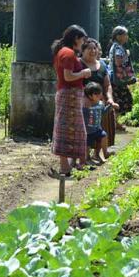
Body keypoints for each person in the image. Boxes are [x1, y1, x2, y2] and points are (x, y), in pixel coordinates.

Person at [51, 25, 91, 176]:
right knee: (71, 129)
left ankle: (71, 164)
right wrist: (84, 73)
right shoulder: (67, 53)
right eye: (82, 40)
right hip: (70, 95)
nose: (83, 43)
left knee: (71, 128)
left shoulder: (64, 52)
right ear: (76, 39)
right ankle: (67, 166)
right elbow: (68, 77)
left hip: (70, 95)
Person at [81, 38, 118, 156]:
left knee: (103, 127)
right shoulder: (78, 64)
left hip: (100, 102)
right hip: (85, 105)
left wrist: (109, 98)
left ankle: (100, 152)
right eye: (89, 48)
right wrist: (85, 98)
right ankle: (85, 156)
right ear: (82, 50)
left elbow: (107, 85)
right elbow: (75, 85)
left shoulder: (101, 65)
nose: (92, 51)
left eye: (94, 48)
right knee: (87, 130)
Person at [109, 26, 135, 131]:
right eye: (125, 35)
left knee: (119, 99)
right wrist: (126, 55)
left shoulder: (115, 46)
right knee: (121, 99)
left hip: (115, 78)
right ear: (118, 36)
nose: (127, 37)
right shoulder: (118, 48)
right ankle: (114, 123)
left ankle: (115, 122)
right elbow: (118, 61)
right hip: (118, 79)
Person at [82, 82, 108, 164]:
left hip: (97, 128)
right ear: (90, 96)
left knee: (103, 136)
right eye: (96, 95)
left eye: (100, 94)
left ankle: (102, 154)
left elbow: (103, 112)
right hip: (88, 131)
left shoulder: (100, 104)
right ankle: (87, 158)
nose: (99, 96)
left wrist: (111, 107)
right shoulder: (86, 106)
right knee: (87, 145)